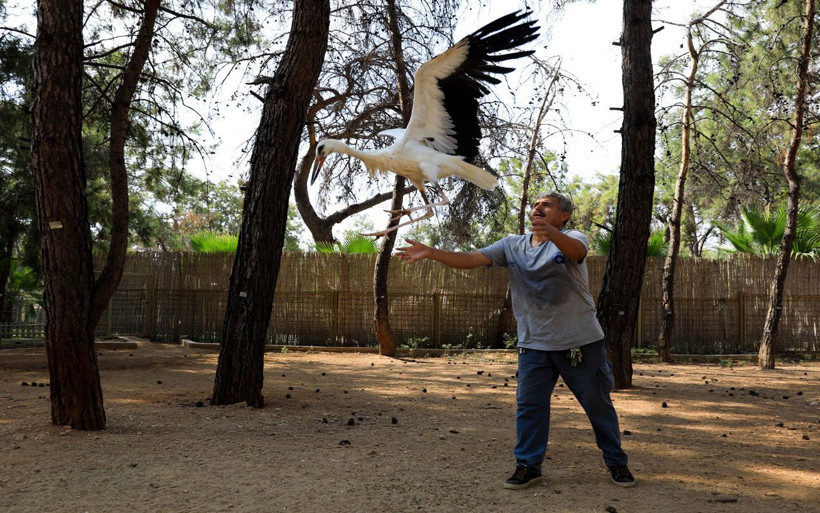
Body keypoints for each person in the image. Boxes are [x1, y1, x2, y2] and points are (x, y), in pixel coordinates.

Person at [395, 192, 635, 490]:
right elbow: (470, 259)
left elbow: (576, 252)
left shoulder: (573, 237)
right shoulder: (512, 245)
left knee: (597, 404)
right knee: (529, 407)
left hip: (579, 343)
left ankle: (616, 462)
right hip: (533, 343)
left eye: (547, 205)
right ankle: (528, 465)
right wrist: (432, 252)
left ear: (563, 216)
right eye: (536, 204)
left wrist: (552, 234)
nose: (538, 208)